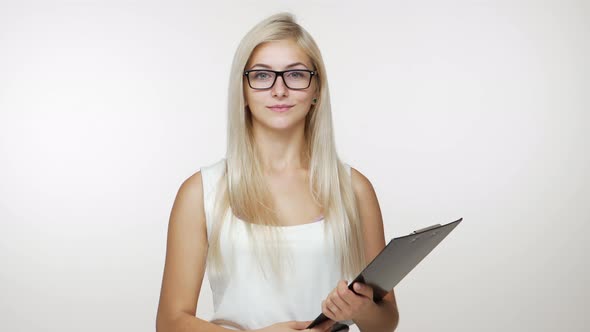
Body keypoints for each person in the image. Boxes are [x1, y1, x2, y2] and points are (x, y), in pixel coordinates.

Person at [156, 13, 399, 332]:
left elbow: (386, 321)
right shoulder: (202, 191)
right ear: (242, 90)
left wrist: (361, 308)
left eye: (296, 75)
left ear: (316, 90)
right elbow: (170, 322)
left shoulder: (353, 189)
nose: (279, 90)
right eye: (261, 75)